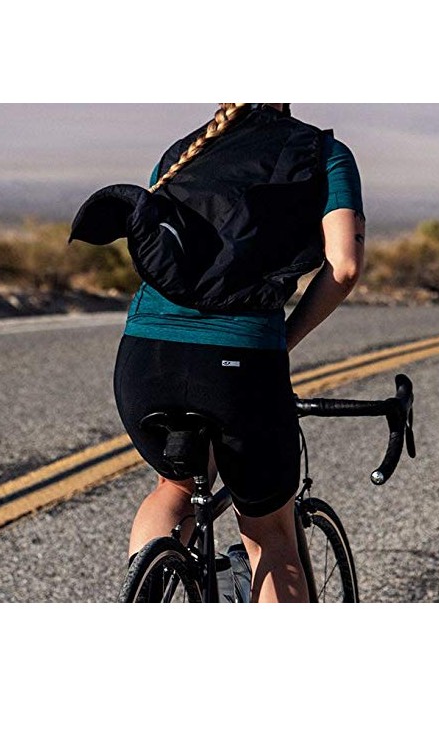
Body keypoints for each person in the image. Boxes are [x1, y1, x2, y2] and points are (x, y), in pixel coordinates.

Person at [72, 103, 365, 603]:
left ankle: (146, 596)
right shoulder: (325, 153)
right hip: (240, 362)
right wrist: (283, 341)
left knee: (174, 488)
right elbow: (344, 266)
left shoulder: (186, 150)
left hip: (146, 355)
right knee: (269, 531)